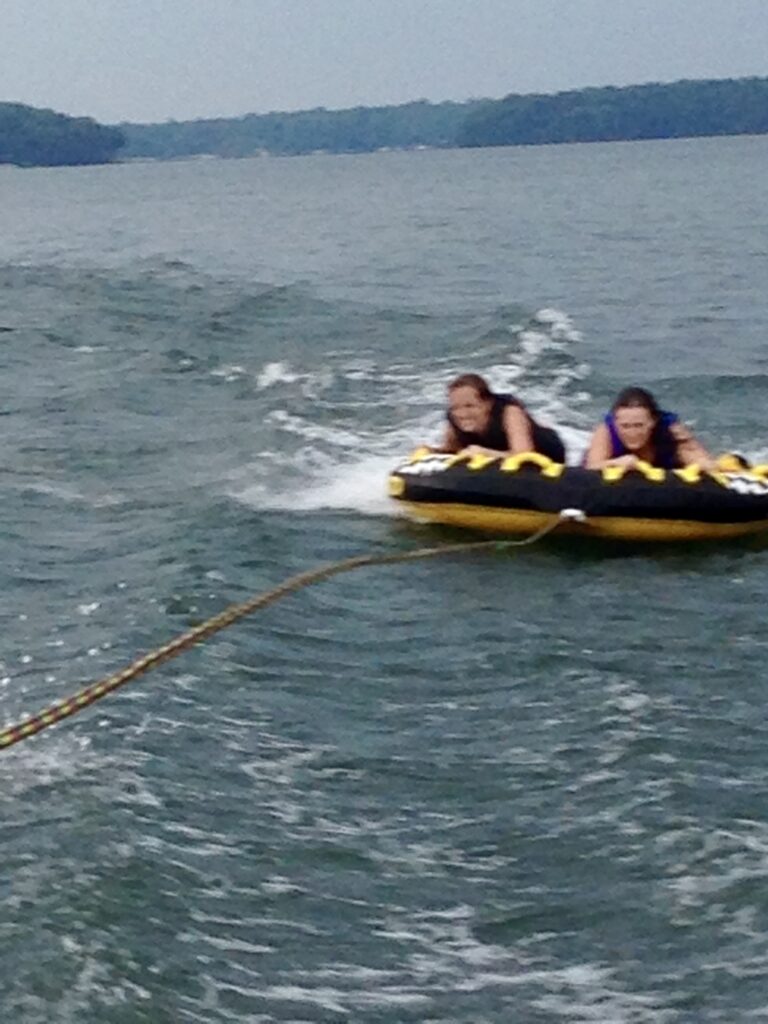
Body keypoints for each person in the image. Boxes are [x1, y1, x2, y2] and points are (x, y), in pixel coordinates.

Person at [436, 373, 566, 462]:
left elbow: (524, 455)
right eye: (455, 407)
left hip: (547, 454)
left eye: (469, 406)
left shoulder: (509, 411)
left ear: (488, 403)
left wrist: (485, 453)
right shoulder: (454, 418)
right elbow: (450, 451)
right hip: (501, 459)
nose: (462, 414)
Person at [583, 386, 714, 470]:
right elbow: (592, 467)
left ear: (653, 422)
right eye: (625, 426)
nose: (632, 432)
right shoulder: (605, 431)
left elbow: (699, 458)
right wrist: (616, 463)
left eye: (639, 425)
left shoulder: (671, 431)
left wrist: (703, 464)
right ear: (616, 423)